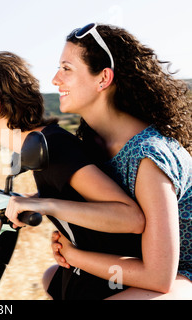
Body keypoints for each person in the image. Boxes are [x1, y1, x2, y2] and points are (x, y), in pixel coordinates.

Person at [0, 51, 146, 300]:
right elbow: (74, 193)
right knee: (49, 279)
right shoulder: (37, 147)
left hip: (113, 281)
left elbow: (131, 218)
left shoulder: (54, 147)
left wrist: (45, 205)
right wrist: (31, 200)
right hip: (87, 271)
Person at [47, 23, 192, 299]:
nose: (55, 79)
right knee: (52, 279)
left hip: (182, 276)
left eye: (66, 68)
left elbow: (159, 277)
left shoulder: (148, 155)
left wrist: (75, 255)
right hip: (147, 269)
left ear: (103, 78)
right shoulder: (95, 145)